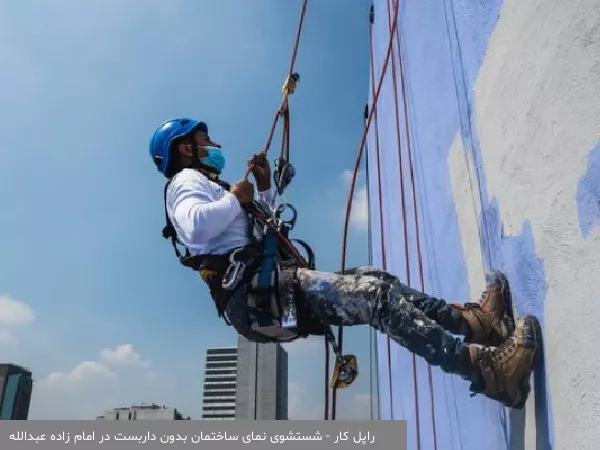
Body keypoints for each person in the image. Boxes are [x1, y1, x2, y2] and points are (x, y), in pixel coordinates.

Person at [148, 117, 542, 410]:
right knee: (374, 298)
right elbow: (195, 228)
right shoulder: (184, 183)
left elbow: (257, 227)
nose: (212, 142)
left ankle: (476, 325)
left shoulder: (212, 185)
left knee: (375, 281)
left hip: (271, 286)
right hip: (258, 294)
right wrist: (236, 196)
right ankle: (490, 373)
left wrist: (262, 188)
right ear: (186, 148)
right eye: (204, 138)